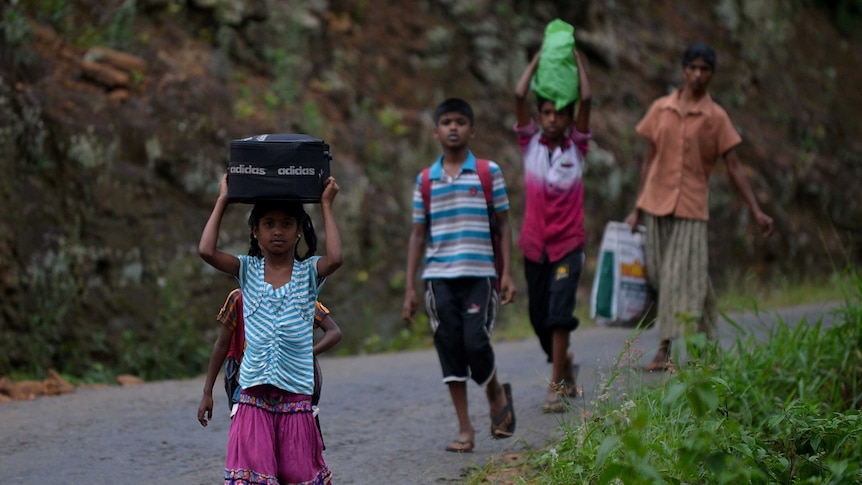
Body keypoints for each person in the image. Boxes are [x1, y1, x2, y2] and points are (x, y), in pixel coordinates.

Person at [624, 42, 774, 371]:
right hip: (656, 203)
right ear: (683, 70)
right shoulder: (660, 109)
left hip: (691, 208)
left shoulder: (716, 117)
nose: (697, 74)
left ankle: (664, 350)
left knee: (680, 278)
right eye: (692, 67)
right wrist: (637, 207)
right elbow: (649, 160)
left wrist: (756, 210)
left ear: (712, 75)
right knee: (672, 278)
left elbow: (733, 166)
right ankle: (704, 346)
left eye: (704, 69)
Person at [199, 173, 342, 484]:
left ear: (299, 232)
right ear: (255, 231)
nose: (278, 231)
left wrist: (326, 205)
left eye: (287, 224)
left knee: (296, 475)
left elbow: (336, 258)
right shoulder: (247, 271)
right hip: (252, 393)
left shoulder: (309, 274)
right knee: (253, 476)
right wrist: (223, 199)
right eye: (268, 224)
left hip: (296, 395)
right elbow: (207, 251)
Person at [402, 97, 517, 453]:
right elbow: (418, 235)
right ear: (436, 131)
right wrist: (410, 287)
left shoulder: (488, 172)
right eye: (447, 122)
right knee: (449, 346)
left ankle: (495, 391)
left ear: (471, 129)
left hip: (481, 274)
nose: (454, 128)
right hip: (439, 278)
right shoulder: (425, 181)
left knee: (476, 341)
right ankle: (465, 429)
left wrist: (508, 273)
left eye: (460, 122)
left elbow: (504, 225)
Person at [514, 44, 592, 413]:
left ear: (569, 118)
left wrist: (575, 64)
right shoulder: (530, 145)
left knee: (560, 314)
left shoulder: (577, 148)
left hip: (567, 246)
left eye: (560, 113)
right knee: (539, 318)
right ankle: (565, 364)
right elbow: (518, 94)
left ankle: (556, 385)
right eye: (546, 112)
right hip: (534, 247)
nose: (552, 119)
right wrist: (541, 60)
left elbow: (587, 99)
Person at [196, 289, 342, 426]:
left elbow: (333, 331)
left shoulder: (299, 295)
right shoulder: (240, 297)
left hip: (292, 381)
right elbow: (222, 345)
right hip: (250, 382)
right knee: (251, 439)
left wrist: (304, 354)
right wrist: (207, 392)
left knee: (290, 438)